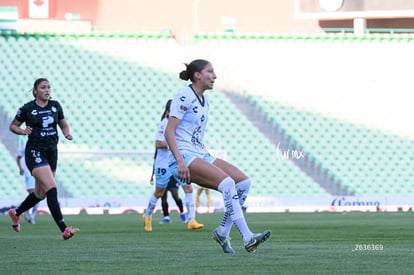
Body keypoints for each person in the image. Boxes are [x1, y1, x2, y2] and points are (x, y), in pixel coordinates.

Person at [165, 59, 271, 253]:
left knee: (243, 183)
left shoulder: (205, 101)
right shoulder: (184, 96)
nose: (215, 76)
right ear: (197, 75)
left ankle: (223, 231)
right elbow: (169, 132)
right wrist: (180, 161)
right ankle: (248, 238)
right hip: (184, 156)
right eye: (210, 72)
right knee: (228, 184)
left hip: (200, 153)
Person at [8, 78, 79, 240]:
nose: (47, 90)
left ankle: (16, 212)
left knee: (40, 194)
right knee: (52, 188)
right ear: (35, 91)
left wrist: (67, 132)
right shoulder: (27, 108)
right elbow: (13, 125)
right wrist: (22, 131)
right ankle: (64, 229)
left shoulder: (55, 106)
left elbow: (63, 124)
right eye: (43, 88)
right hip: (35, 152)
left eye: (48, 87)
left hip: (52, 153)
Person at [143, 99, 204, 231]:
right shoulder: (164, 124)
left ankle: (191, 220)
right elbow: (158, 144)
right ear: (167, 111)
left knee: (188, 189)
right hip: (163, 164)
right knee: (159, 193)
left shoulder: (180, 125)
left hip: (178, 162)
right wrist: (173, 144)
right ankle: (147, 216)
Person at [16, 144, 39, 224]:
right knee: (33, 194)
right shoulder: (26, 146)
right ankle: (26, 209)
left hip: (40, 172)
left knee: (39, 195)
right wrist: (20, 168)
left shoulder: (42, 143)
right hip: (29, 174)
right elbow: (18, 157)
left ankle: (32, 215)